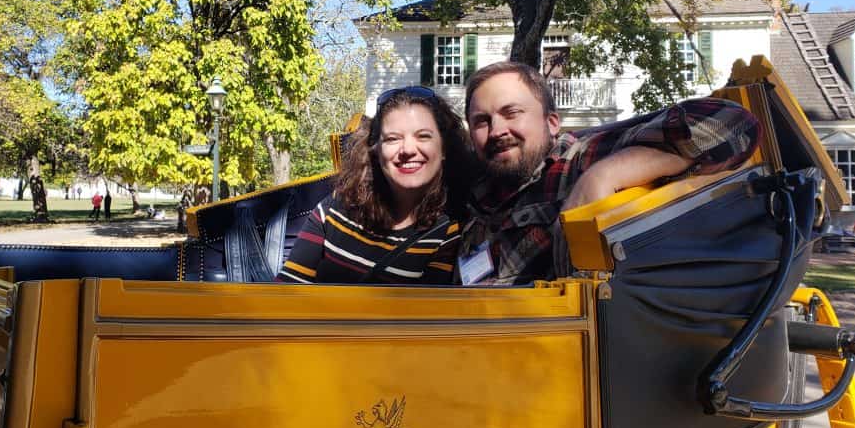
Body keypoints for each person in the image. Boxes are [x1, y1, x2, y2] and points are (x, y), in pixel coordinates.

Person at [458, 62, 761, 286]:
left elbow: (734, 124)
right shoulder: (476, 192)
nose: (497, 131)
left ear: (552, 123)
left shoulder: (579, 160)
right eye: (482, 121)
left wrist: (603, 175)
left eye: (511, 114)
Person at [279, 86, 474, 285]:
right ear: (375, 150)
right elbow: (285, 292)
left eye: (423, 136)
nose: (407, 149)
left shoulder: (449, 231)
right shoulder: (337, 207)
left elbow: (424, 312)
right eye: (392, 139)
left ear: (444, 149)